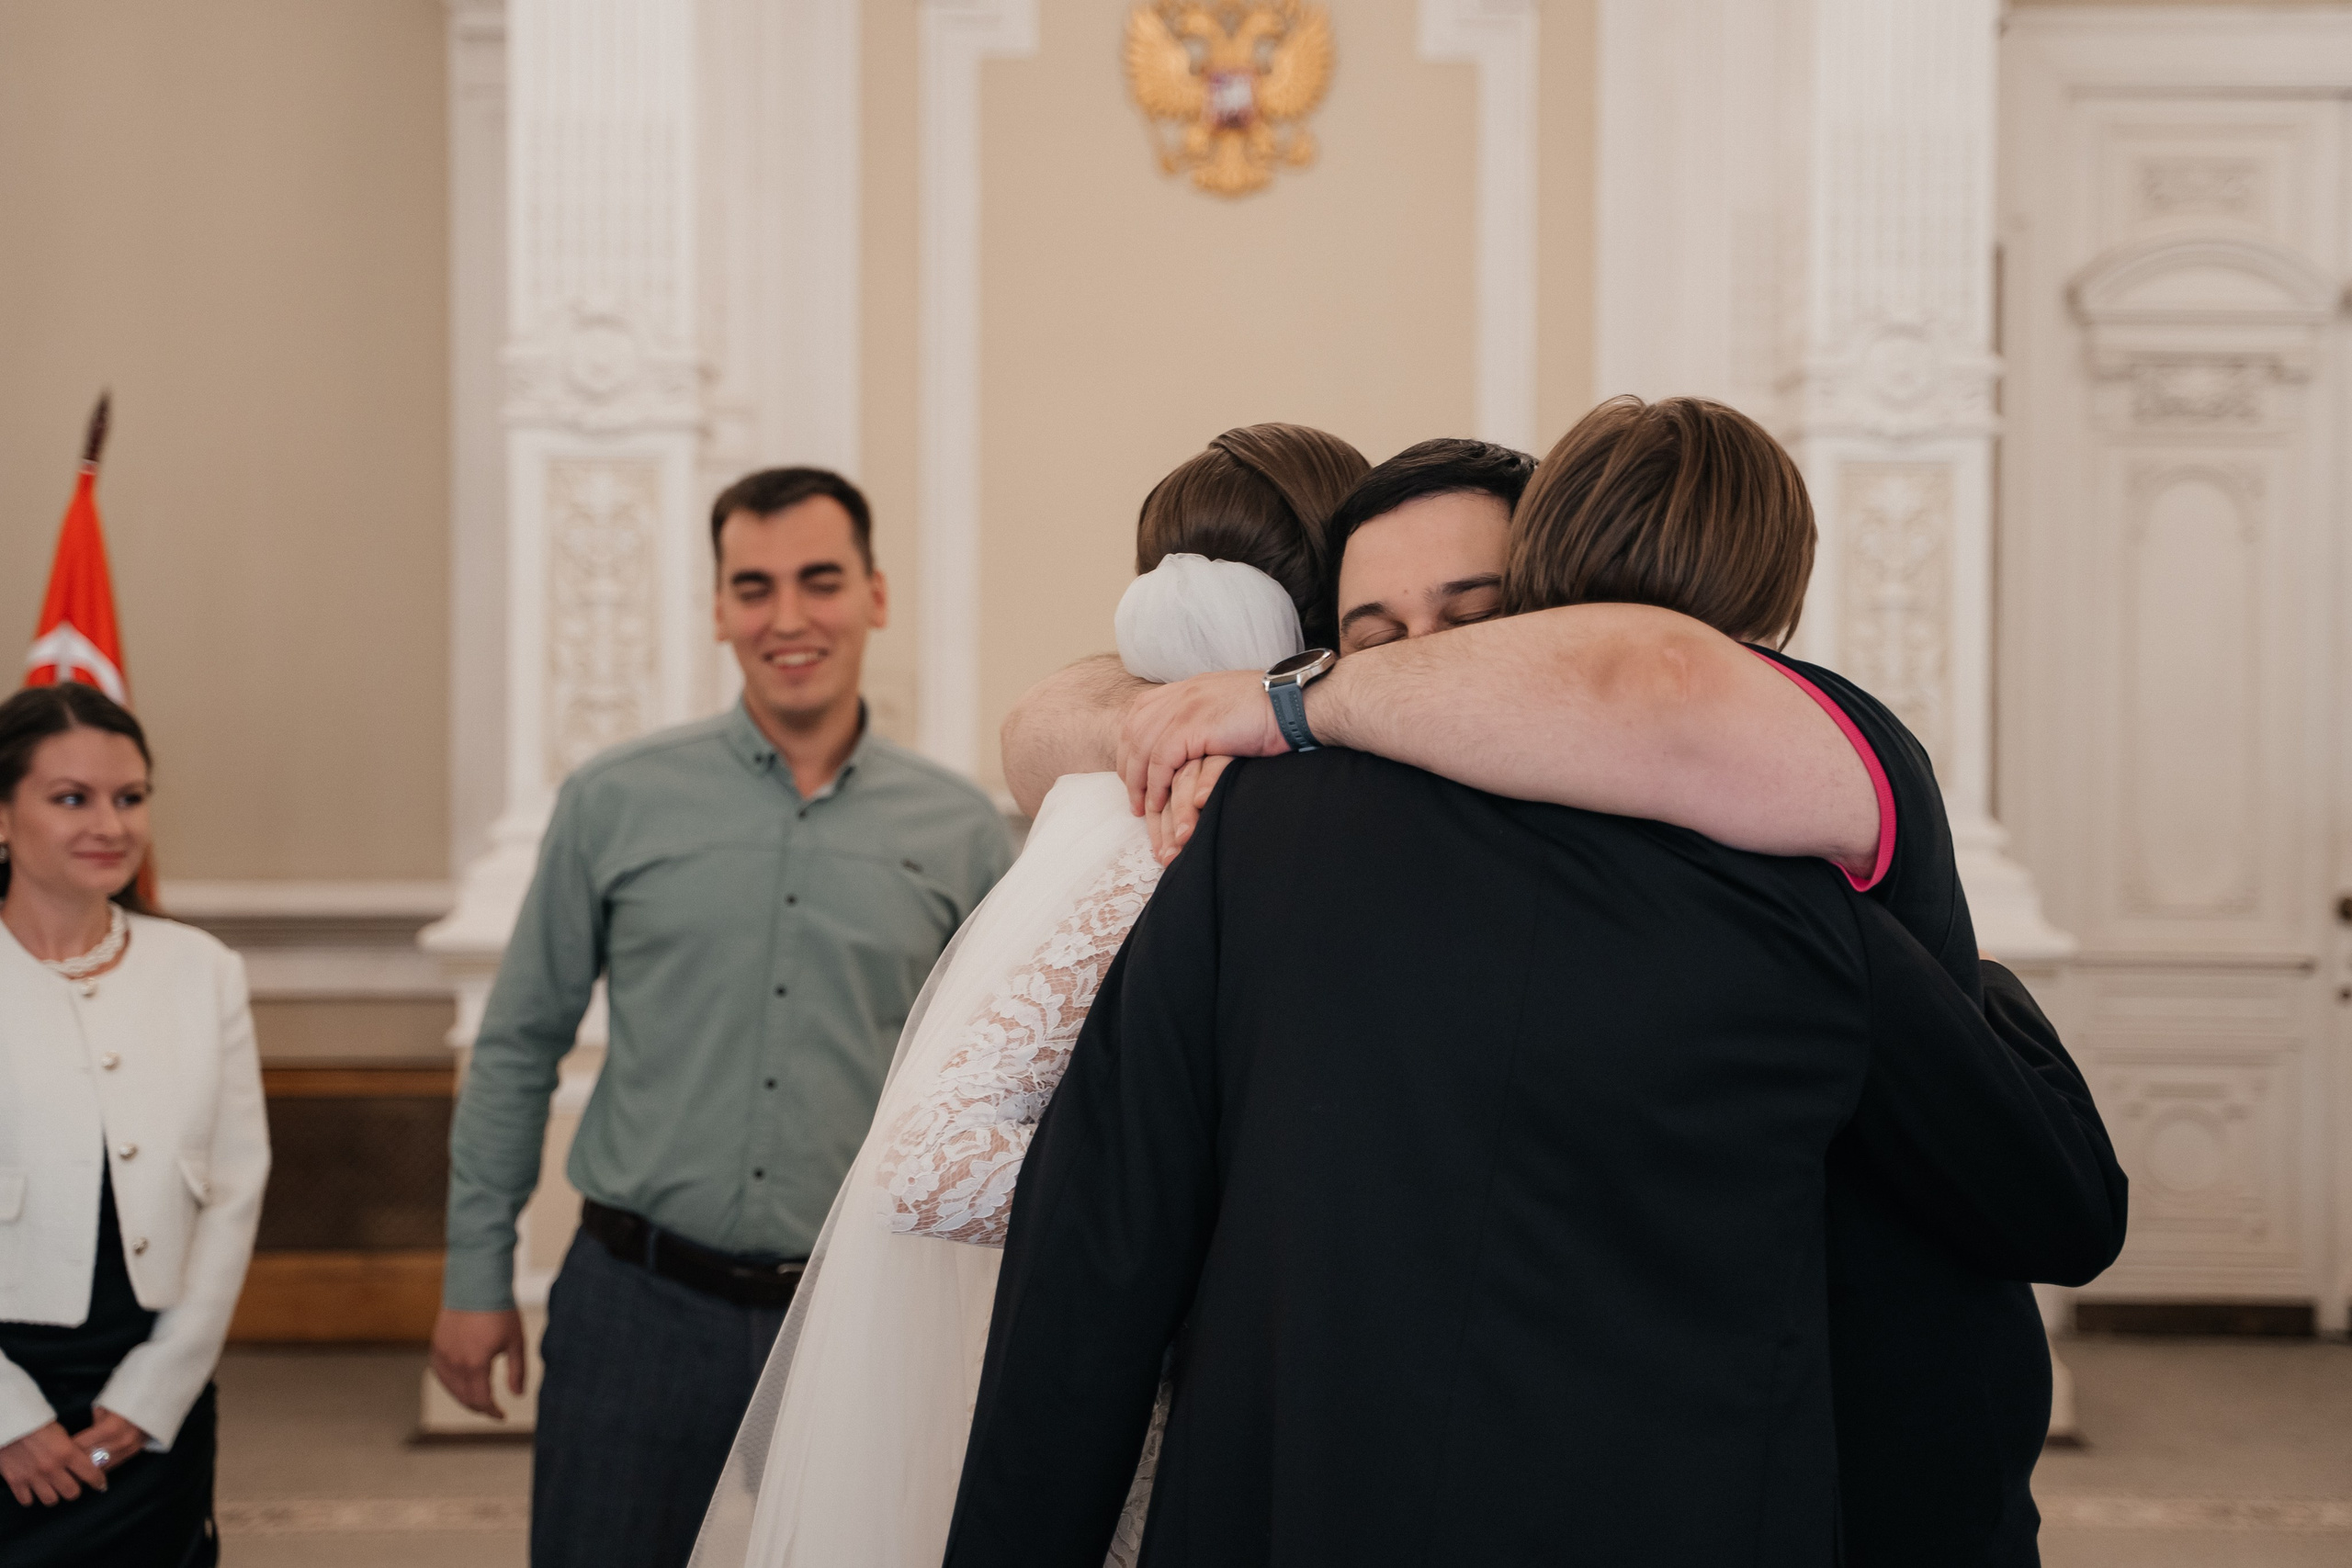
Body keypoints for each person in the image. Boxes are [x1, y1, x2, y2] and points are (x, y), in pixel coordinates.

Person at [942, 419, 2125, 1566]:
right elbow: (1102, 1221)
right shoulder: (1258, 831)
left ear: (1552, 614)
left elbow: (1092, 1256)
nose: (1415, 662)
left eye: (1473, 622)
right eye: (1374, 635)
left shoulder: (1790, 808)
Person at [688, 424, 1370, 1568]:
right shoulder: (1147, 827)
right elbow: (927, 1162)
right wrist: (1217, 1208)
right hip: (1166, 1407)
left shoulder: (1315, 808)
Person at [431, 468, 1014, 1568]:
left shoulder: (961, 832)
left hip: (862, 1317)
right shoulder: (613, 801)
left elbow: (996, 1088)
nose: (786, 618)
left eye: (820, 581)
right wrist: (474, 1279)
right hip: (640, 1308)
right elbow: (516, 1046)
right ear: (716, 609)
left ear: (876, 595)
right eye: (753, 587)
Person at [0, 682, 270, 1568]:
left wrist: (159, 1390)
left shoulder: (203, 970)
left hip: (152, 1387)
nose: (109, 824)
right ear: (3, 815)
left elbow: (233, 1192)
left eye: (130, 797)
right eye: (71, 798)